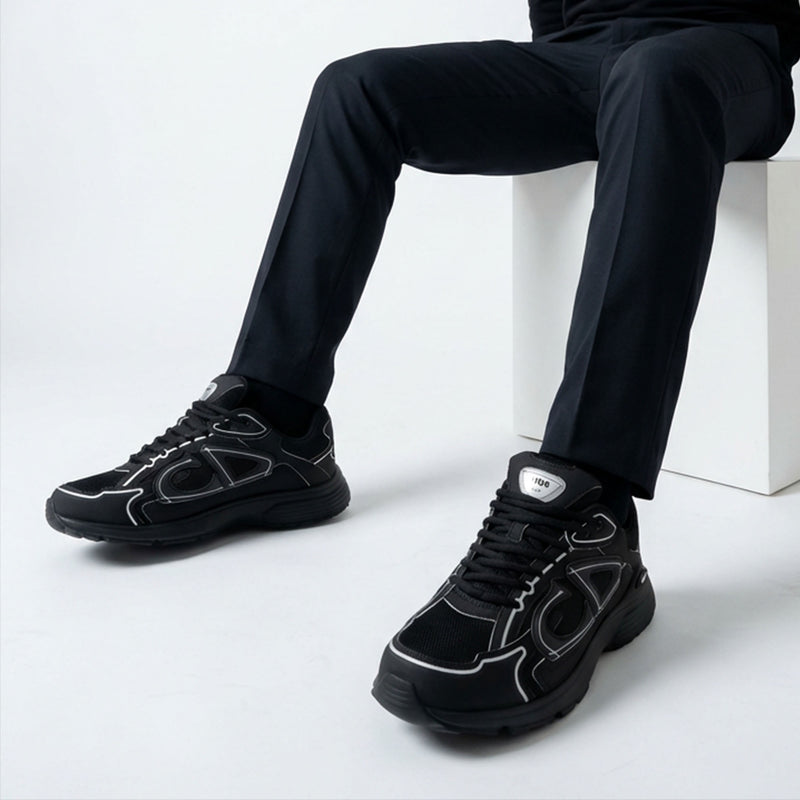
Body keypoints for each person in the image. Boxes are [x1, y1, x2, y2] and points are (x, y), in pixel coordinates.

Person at [46, 0, 799, 736]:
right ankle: (272, 423)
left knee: (657, 73)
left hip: (723, 57)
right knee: (358, 88)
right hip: (579, 57)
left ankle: (587, 515)